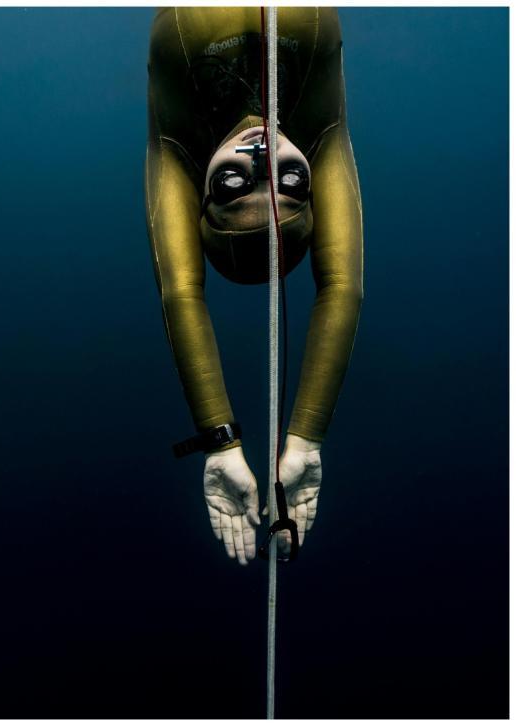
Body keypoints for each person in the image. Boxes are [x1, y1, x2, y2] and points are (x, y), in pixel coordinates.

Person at [145, 7, 363, 565]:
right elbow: (343, 285)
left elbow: (179, 292)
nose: (263, 158)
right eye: (291, 182)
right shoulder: (319, 131)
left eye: (234, 183)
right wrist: (305, 441)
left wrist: (221, 444)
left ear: (203, 197)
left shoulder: (177, 148)